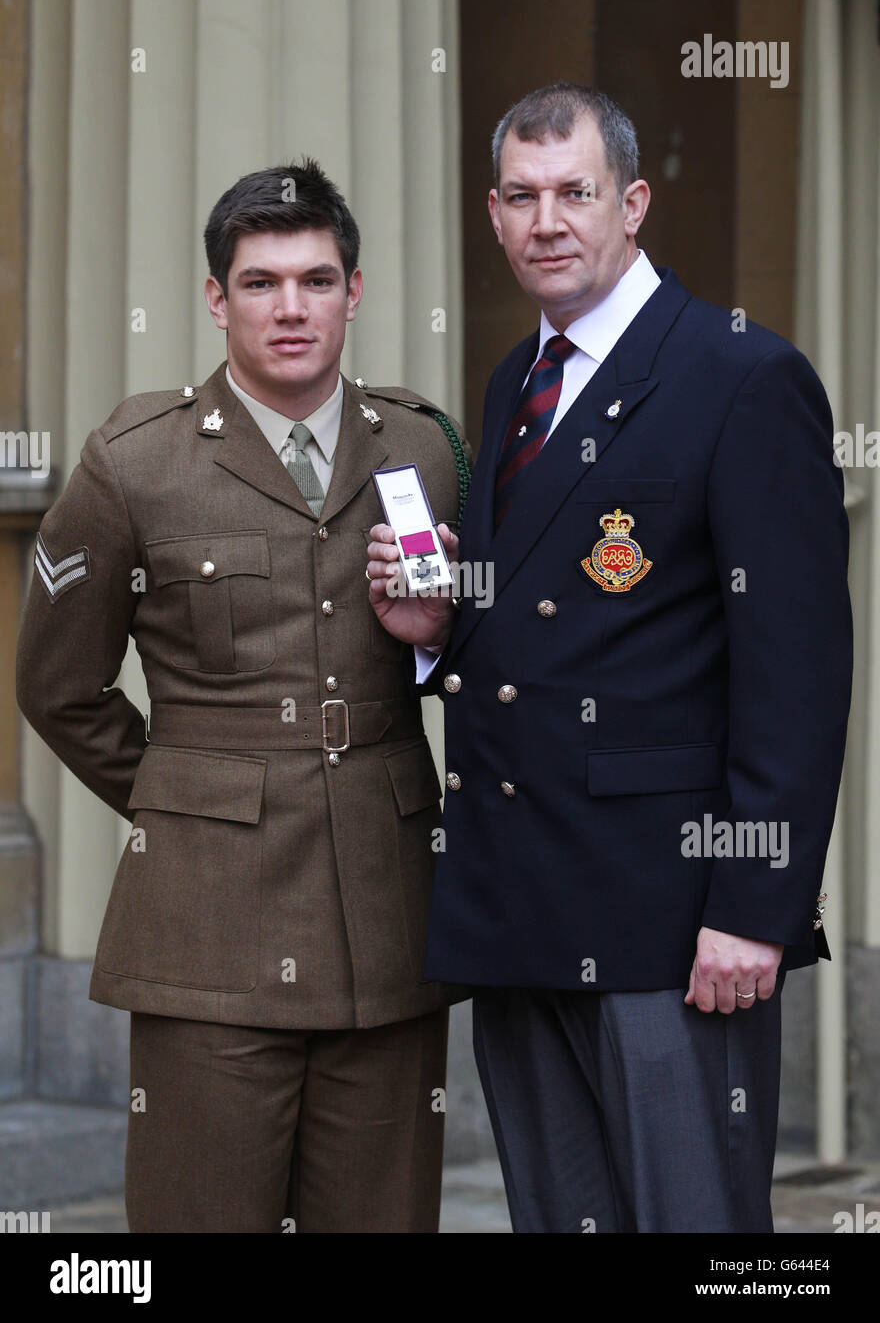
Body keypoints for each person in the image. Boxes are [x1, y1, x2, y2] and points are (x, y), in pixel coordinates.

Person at [367, 83, 852, 1233]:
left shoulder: (740, 376)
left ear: (631, 204)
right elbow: (545, 629)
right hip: (521, 904)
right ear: (492, 215)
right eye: (523, 198)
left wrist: (755, 908)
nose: (549, 221)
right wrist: (436, 639)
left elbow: (797, 672)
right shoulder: (514, 381)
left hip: (670, 921)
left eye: (575, 193)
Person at [16, 158, 470, 1233]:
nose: (291, 307)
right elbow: (59, 684)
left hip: (388, 916)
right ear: (216, 300)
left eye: (316, 279)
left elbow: (484, 664)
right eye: (260, 282)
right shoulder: (138, 462)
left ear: (354, 291)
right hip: (206, 934)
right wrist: (189, 802)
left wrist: (437, 640)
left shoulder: (426, 447)